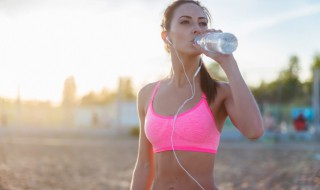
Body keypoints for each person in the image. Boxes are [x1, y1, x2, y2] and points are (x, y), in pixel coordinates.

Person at [130, 1, 264, 189]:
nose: (197, 29)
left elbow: (254, 130)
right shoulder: (147, 94)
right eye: (186, 22)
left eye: (202, 23)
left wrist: (228, 62)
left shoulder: (219, 92)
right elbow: (144, 165)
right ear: (166, 36)